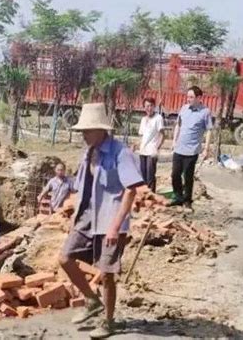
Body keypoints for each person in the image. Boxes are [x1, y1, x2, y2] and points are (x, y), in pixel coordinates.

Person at [59, 103, 143, 339]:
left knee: (106, 274)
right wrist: (73, 218)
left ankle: (108, 321)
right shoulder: (88, 152)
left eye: (87, 131)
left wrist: (115, 227)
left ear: (101, 130)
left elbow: (131, 191)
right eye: (82, 131)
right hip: (88, 217)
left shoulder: (120, 153)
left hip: (110, 219)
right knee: (64, 257)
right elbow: (82, 189)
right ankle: (91, 300)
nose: (83, 135)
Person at [171, 85, 213, 208]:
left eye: (191, 97)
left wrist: (206, 148)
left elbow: (209, 130)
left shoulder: (205, 112)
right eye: (187, 97)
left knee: (188, 176)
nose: (188, 99)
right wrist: (174, 140)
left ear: (199, 98)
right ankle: (178, 197)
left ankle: (187, 200)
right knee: (175, 174)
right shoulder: (184, 108)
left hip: (192, 150)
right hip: (179, 148)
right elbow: (178, 125)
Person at [137, 97, 165, 193]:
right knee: (143, 176)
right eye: (147, 106)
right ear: (144, 107)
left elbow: (162, 135)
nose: (149, 108)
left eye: (151, 106)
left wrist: (157, 148)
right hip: (143, 151)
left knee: (150, 176)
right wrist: (135, 146)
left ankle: (151, 196)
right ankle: (144, 196)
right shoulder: (143, 119)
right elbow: (142, 136)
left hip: (151, 152)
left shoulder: (158, 118)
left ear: (154, 106)